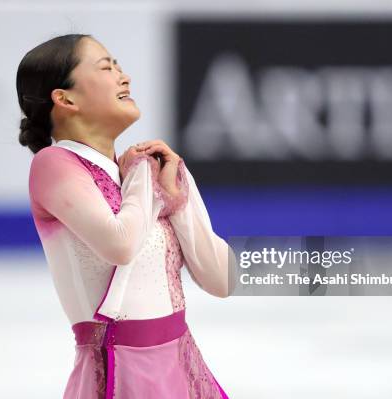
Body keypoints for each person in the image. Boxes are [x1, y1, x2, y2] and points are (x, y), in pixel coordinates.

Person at [17, 33, 233, 399]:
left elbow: (223, 280)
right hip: (118, 373)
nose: (124, 76)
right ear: (64, 98)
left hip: (180, 368)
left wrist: (177, 200)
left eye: (119, 65)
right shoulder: (54, 164)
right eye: (106, 67)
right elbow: (119, 245)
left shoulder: (145, 175)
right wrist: (144, 180)